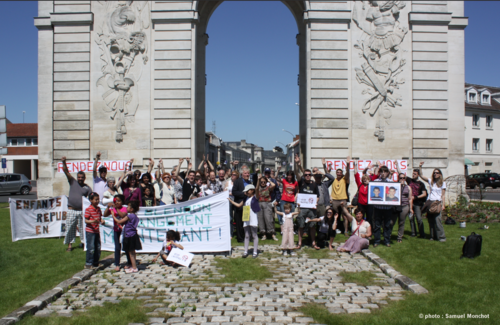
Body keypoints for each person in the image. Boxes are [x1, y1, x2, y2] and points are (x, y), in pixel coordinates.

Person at [61, 156, 92, 252]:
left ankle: (84, 244)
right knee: (70, 227)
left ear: (85, 178)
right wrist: (64, 162)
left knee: (83, 229)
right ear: (77, 177)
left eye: (82, 177)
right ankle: (69, 246)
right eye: (79, 177)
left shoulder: (87, 188)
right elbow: (66, 172)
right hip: (72, 210)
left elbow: (91, 198)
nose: (80, 179)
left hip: (81, 211)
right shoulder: (73, 182)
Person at [228, 184, 261, 258]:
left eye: (247, 191)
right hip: (246, 218)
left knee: (254, 235)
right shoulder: (245, 198)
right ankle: (245, 251)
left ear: (252, 190)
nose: (246, 192)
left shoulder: (255, 197)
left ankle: (255, 252)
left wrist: (258, 180)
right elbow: (239, 205)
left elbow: (257, 189)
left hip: (253, 218)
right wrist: (231, 201)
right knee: (246, 235)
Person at [418, 162, 447, 242]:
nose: (435, 174)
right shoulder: (431, 181)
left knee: (438, 220)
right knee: (430, 220)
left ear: (440, 174)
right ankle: (432, 236)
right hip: (430, 202)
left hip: (437, 202)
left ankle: (441, 237)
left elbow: (443, 195)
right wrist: (420, 167)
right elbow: (421, 176)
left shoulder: (443, 183)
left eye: (437, 173)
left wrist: (443, 205)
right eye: (434, 173)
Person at [112, 200, 142, 273]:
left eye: (128, 207)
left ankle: (134, 267)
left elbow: (119, 221)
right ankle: (133, 265)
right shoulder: (135, 216)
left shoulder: (129, 216)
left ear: (131, 209)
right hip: (134, 235)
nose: (127, 208)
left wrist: (113, 215)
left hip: (129, 236)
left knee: (131, 252)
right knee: (133, 252)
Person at [103, 194, 130, 271]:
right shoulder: (112, 209)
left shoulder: (124, 208)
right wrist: (108, 208)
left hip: (124, 231)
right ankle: (117, 264)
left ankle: (129, 262)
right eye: (116, 201)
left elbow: (122, 215)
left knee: (126, 247)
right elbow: (105, 215)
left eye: (119, 201)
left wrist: (116, 209)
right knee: (117, 247)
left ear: (122, 202)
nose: (117, 202)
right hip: (116, 230)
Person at [295, 167, 320, 249]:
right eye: (306, 175)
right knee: (301, 226)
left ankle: (313, 243)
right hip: (302, 208)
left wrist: (316, 202)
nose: (307, 176)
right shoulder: (301, 182)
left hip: (312, 208)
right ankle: (299, 243)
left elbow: (318, 196)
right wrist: (297, 164)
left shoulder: (314, 184)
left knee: (312, 226)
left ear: (311, 175)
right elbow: (296, 172)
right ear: (304, 176)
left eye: (309, 175)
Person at [328, 156, 351, 236]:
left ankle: (346, 231)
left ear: (342, 174)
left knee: (345, 216)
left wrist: (348, 164)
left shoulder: (344, 179)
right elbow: (327, 174)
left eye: (340, 172)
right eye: (337, 172)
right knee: (335, 216)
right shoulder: (333, 180)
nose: (338, 174)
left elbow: (348, 173)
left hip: (343, 200)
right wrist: (327, 167)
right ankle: (334, 229)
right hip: (334, 200)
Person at [372, 165, 394, 247]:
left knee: (387, 225)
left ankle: (387, 241)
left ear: (388, 173)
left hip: (388, 207)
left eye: (385, 172)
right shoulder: (376, 181)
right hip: (378, 207)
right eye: (382, 172)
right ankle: (377, 241)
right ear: (380, 173)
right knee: (377, 224)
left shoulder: (391, 182)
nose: (383, 173)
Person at [84, 192, 105, 269]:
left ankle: (96, 262)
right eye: (95, 199)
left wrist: (101, 221)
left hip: (97, 230)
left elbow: (99, 218)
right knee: (91, 247)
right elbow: (86, 220)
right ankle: (88, 263)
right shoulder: (88, 209)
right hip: (90, 231)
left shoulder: (98, 209)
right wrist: (93, 221)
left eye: (98, 199)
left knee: (98, 247)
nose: (97, 201)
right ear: (91, 200)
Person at [406, 168, 428, 237]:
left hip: (417, 203)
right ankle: (413, 233)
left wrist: (416, 197)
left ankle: (422, 233)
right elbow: (401, 173)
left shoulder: (421, 184)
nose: (413, 175)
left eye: (415, 174)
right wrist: (397, 165)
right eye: (413, 173)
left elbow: (424, 194)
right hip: (410, 203)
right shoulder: (410, 180)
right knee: (411, 218)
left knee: (419, 218)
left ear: (418, 175)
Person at [231, 167, 250, 243]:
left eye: (248, 173)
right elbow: (234, 192)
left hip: (247, 205)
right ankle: (240, 238)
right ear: (242, 174)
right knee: (239, 223)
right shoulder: (237, 181)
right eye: (245, 173)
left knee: (246, 222)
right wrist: (244, 194)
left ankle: (247, 236)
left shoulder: (249, 182)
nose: (247, 174)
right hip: (239, 204)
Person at [256, 176, 278, 241]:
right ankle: (264, 234)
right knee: (261, 219)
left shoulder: (268, 188)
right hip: (259, 204)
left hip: (267, 203)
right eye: (261, 182)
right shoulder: (258, 188)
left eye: (264, 182)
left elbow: (274, 185)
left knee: (268, 219)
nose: (263, 183)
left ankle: (272, 234)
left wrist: (268, 180)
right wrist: (258, 180)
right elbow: (256, 188)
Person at [393, 173, 413, 243]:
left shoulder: (408, 187)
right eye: (401, 178)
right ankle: (387, 235)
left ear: (405, 179)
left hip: (404, 206)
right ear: (398, 178)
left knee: (401, 222)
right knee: (391, 222)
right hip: (395, 206)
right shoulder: (395, 186)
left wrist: (410, 208)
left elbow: (410, 198)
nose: (402, 179)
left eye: (403, 178)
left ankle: (399, 237)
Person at [353, 161, 374, 227]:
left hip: (369, 204)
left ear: (369, 180)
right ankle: (360, 229)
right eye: (364, 179)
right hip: (361, 204)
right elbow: (356, 175)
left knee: (369, 218)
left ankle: (369, 231)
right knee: (360, 217)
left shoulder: (371, 185)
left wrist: (377, 167)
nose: (365, 180)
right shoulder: (360, 184)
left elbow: (376, 175)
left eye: (366, 179)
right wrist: (355, 165)